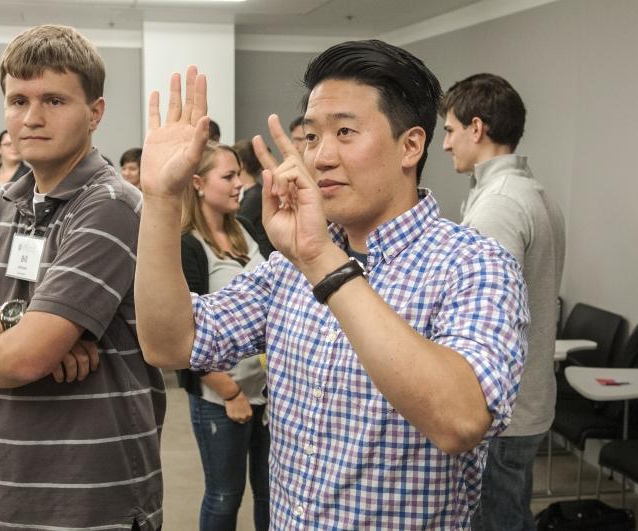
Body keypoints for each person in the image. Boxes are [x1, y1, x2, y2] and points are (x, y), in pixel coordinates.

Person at [135, 40, 529, 529]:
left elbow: (461, 421)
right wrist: (159, 200)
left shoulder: (473, 264)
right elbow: (170, 342)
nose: (319, 157)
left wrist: (324, 260)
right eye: (312, 137)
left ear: (411, 145)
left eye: (344, 132)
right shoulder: (288, 268)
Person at [0, 25, 165, 530]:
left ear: (95, 112)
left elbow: (28, 357)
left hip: (95, 499)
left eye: (53, 100)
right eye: (18, 100)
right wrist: (20, 319)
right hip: (3, 486)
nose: (31, 117)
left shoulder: (112, 205)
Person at [441, 73, 566, 531]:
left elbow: (483, 319)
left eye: (450, 131)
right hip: (528, 402)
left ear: (477, 129)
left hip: (503, 414)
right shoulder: (532, 194)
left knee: (498, 522)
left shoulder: (499, 205)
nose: (445, 145)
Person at [179, 142, 270, 531]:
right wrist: (230, 393)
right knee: (224, 495)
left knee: (270, 492)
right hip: (221, 397)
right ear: (198, 183)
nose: (239, 185)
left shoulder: (246, 230)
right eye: (228, 177)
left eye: (239, 175)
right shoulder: (188, 245)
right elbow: (183, 336)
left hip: (268, 392)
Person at [233, 139, 273, 257]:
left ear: (241, 164)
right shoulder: (251, 193)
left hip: (261, 258)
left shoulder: (254, 196)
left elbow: (237, 227)